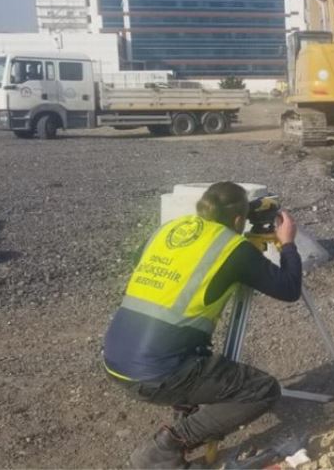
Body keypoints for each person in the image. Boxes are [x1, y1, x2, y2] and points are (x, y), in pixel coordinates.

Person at [102, 182, 302, 469]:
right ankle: (165, 447)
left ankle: (185, 408)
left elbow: (142, 262)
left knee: (191, 353)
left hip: (114, 358)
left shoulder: (168, 230)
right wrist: (288, 243)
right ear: (237, 220)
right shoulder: (234, 248)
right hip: (157, 373)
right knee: (264, 389)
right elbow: (289, 288)